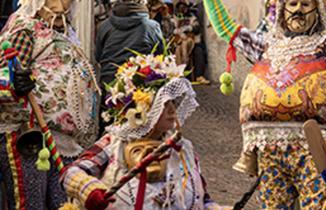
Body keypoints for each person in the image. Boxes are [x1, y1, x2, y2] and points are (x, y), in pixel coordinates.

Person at [203, 0, 326, 208]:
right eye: (292, 4)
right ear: (281, 10)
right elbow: (227, 29)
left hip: (315, 149)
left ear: (319, 11)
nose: (298, 10)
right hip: (269, 152)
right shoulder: (266, 47)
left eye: (305, 4)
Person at [60, 52, 232, 210]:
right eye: (164, 104)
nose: (173, 110)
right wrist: (89, 190)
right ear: (144, 109)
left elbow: (203, 199)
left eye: (173, 102)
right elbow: (71, 172)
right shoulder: (116, 144)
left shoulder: (183, 148)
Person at [0, 0, 100, 209]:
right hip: (30, 138)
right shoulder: (24, 28)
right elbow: (4, 76)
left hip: (64, 143)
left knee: (63, 204)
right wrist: (15, 85)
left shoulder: (65, 31)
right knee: (31, 205)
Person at [95, 0, 164, 135]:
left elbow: (98, 56)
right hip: (141, 89)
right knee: (141, 132)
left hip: (110, 86)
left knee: (108, 133)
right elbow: (159, 57)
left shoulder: (104, 26)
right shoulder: (151, 27)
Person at [172, 0, 210, 85]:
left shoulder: (192, 17)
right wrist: (177, 31)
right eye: (180, 7)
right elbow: (172, 31)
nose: (183, 9)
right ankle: (180, 75)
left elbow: (196, 28)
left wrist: (189, 28)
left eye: (184, 7)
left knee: (199, 51)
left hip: (194, 41)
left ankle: (199, 76)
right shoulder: (174, 18)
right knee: (177, 53)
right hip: (180, 43)